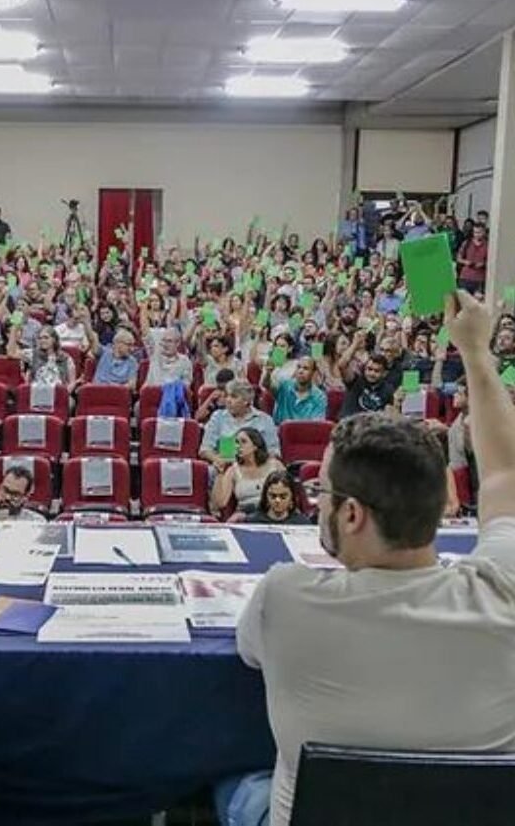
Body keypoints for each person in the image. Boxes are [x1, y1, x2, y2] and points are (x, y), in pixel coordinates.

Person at [217, 290, 515, 826]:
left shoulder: (284, 598)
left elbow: (247, 653)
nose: (314, 503)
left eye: (322, 495)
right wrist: (476, 351)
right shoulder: (504, 591)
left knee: (232, 784)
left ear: (352, 514)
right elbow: (505, 475)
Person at [200, 381, 281, 470]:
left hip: (256, 468)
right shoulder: (218, 417)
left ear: (246, 401)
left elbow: (274, 452)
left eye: (234, 397)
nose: (228, 400)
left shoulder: (264, 420)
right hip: (225, 467)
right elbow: (205, 449)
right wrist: (217, 460)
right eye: (227, 396)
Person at [210, 428, 286, 519]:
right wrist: (220, 473)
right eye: (236, 443)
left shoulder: (275, 465)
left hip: (273, 512)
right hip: (246, 515)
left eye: (243, 442)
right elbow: (220, 503)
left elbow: (289, 494)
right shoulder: (233, 470)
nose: (239, 446)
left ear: (255, 446)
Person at [271, 358, 327, 424]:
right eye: (298, 367)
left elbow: (316, 426)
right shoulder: (284, 385)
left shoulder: (320, 397)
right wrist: (267, 373)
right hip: (279, 432)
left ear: (313, 373)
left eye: (305, 368)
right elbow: (267, 385)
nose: (301, 371)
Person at [339, 354, 396, 418]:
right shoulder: (355, 380)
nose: (372, 373)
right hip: (349, 424)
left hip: (371, 426)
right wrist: (357, 343)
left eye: (377, 371)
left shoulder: (388, 390)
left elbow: (390, 415)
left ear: (384, 374)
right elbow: (342, 364)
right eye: (369, 369)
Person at [246, 470, 311, 525]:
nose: (277, 500)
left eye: (283, 496)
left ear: (292, 497)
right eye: (273, 496)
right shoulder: (253, 523)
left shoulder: (302, 524)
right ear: (266, 496)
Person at [456, 223, 487, 296]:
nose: (477, 234)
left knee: (478, 303)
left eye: (479, 232)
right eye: (475, 232)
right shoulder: (467, 243)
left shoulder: (487, 245)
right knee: (464, 302)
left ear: (484, 232)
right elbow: (458, 258)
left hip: (479, 279)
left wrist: (483, 264)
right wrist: (466, 262)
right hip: (465, 277)